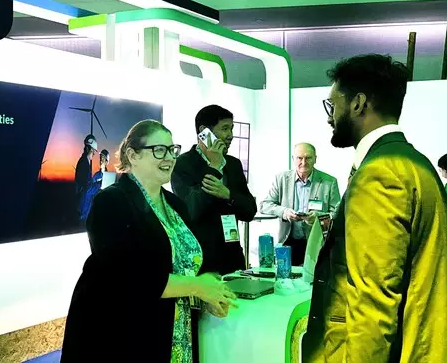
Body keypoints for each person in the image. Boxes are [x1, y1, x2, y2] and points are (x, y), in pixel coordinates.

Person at [303, 54, 447, 362]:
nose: (329, 117)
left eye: (332, 105)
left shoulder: (379, 174)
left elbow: (373, 305)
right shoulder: (416, 163)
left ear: (358, 103)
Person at [61, 120, 238, 363]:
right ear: (133, 155)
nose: (169, 158)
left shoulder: (175, 205)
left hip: (174, 332)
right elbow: (129, 277)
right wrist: (198, 286)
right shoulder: (111, 202)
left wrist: (207, 297)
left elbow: (185, 266)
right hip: (122, 335)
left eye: (172, 150)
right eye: (159, 150)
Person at [171, 105, 256, 276]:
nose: (230, 135)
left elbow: (250, 211)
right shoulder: (182, 164)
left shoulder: (233, 164)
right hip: (201, 259)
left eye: (231, 128)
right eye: (225, 129)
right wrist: (215, 167)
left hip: (233, 257)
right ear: (204, 132)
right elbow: (192, 210)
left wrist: (229, 195)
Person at [260, 143, 340, 266]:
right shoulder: (281, 179)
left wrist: (319, 217)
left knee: (312, 277)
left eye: (308, 158)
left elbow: (337, 214)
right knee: (286, 276)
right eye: (299, 158)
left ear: (315, 159)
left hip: (316, 243)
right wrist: (284, 212)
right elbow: (265, 205)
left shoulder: (329, 182)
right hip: (288, 242)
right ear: (293, 159)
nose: (303, 162)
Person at [79, 149, 110, 220]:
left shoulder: (109, 178)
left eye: (103, 158)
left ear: (107, 162)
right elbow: (89, 192)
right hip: (91, 208)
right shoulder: (96, 175)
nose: (101, 160)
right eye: (100, 158)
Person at [74, 134, 98, 220]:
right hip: (82, 208)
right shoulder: (84, 163)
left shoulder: (84, 161)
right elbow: (87, 187)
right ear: (87, 148)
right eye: (93, 150)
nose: (94, 153)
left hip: (82, 206)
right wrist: (99, 184)